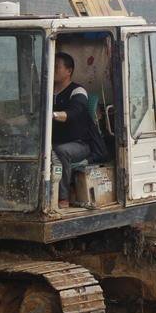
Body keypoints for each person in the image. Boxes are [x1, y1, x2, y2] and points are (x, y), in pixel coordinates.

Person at [52, 52, 106, 209]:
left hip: (80, 144)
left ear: (68, 71)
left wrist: (53, 115)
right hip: (54, 142)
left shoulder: (78, 91)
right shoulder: (48, 92)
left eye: (57, 67)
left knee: (60, 151)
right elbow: (32, 116)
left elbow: (74, 113)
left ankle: (63, 197)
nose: (53, 70)